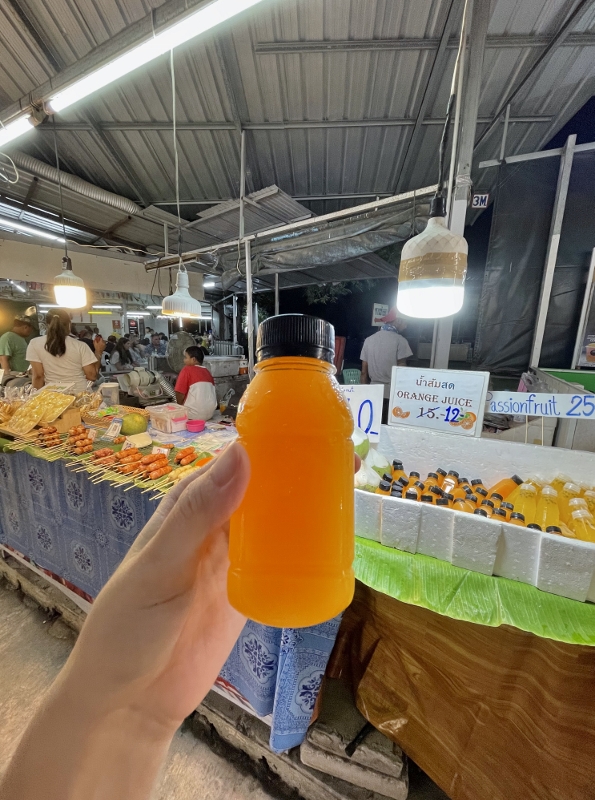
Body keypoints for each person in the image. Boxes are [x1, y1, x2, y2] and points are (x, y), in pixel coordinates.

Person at [27, 309, 103, 392]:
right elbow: (92, 376)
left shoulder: (35, 343)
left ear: (47, 325)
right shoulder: (80, 345)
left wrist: (36, 397)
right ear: (69, 325)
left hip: (53, 395)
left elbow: (38, 376)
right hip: (80, 394)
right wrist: (98, 351)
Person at [360, 308, 413, 423]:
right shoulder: (401, 341)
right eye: (406, 322)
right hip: (391, 394)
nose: (406, 326)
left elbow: (364, 372)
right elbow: (402, 370)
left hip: (373, 392)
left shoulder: (369, 340)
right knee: (387, 427)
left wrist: (364, 394)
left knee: (373, 424)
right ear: (398, 321)